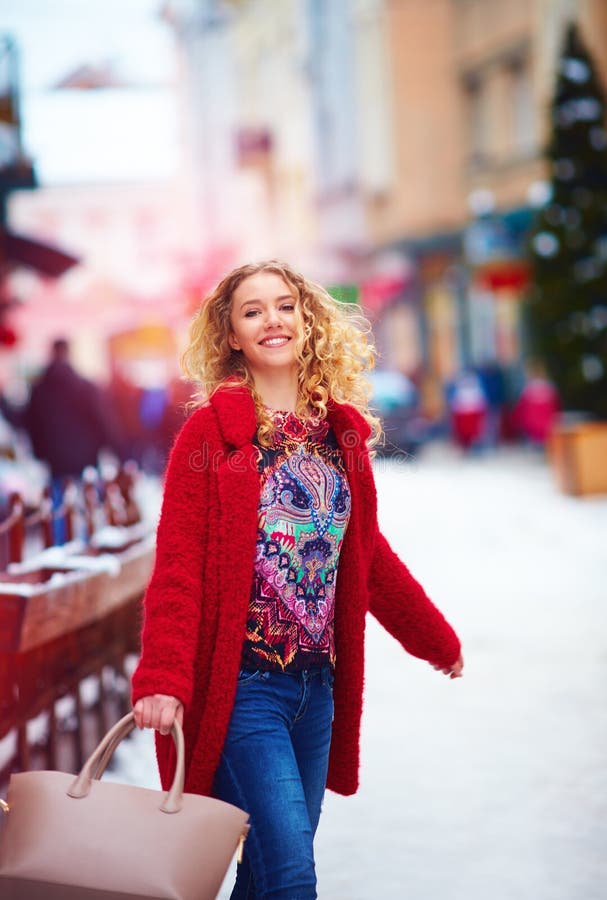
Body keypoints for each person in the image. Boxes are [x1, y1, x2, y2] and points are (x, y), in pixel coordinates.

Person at [131, 260, 464, 900]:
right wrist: (164, 678)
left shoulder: (338, 434)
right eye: (252, 310)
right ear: (231, 335)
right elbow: (177, 567)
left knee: (263, 873)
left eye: (285, 306)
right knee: (291, 875)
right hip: (244, 688)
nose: (272, 320)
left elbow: (365, 556)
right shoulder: (211, 436)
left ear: (307, 320)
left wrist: (435, 639)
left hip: (318, 690)